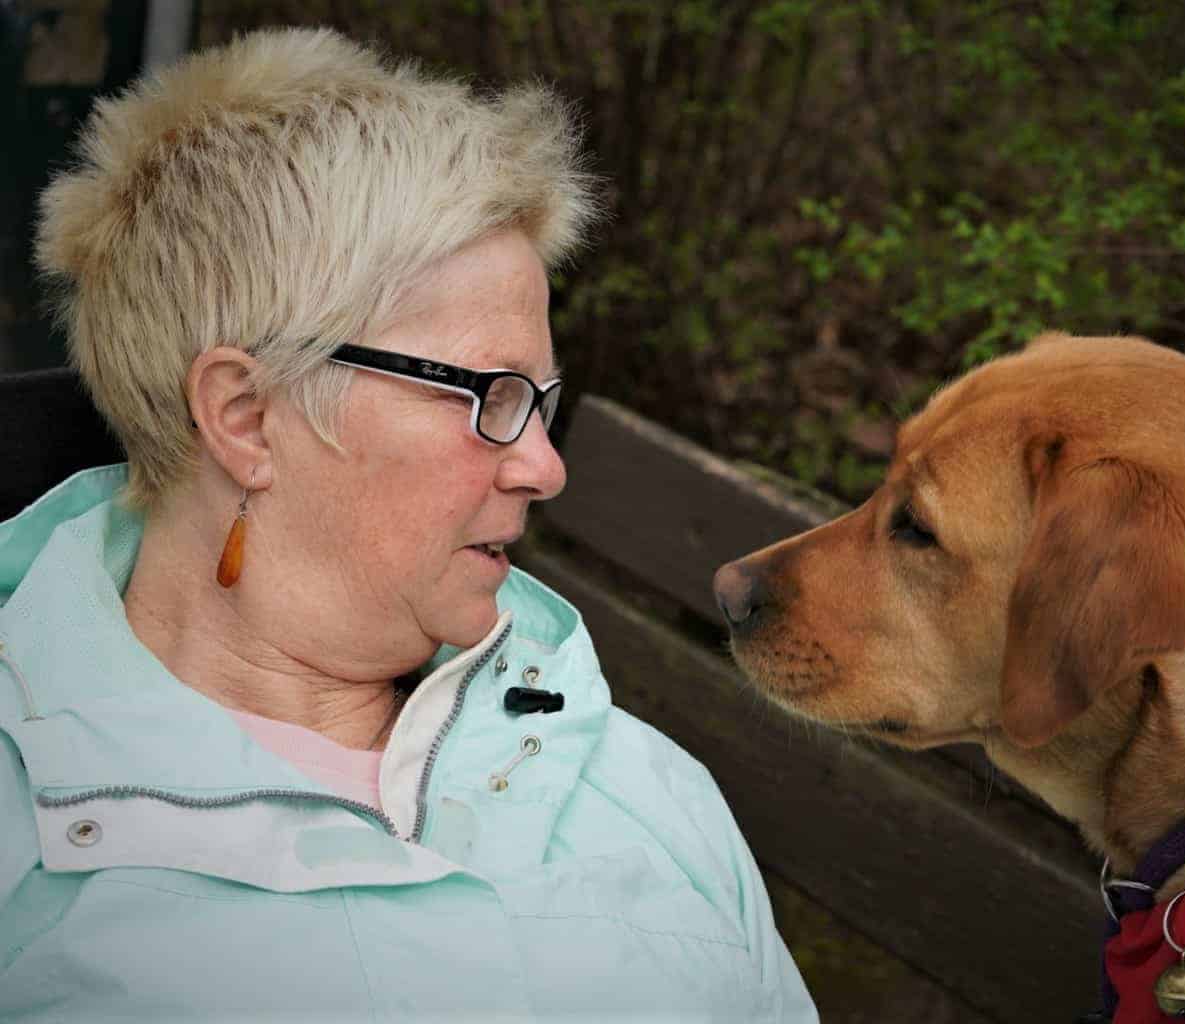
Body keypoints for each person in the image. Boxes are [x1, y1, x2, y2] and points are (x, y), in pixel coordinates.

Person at [0, 28, 816, 1022]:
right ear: (248, 418)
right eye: (488, 396)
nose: (543, 465)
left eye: (541, 401)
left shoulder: (641, 787)